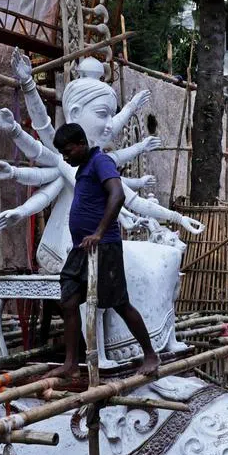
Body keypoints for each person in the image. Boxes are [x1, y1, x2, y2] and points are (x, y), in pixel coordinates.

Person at [46, 123, 160, 385]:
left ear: (81, 144)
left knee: (119, 302)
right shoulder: (82, 168)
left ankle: (151, 355)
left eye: (68, 151)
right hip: (81, 249)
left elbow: (117, 195)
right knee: (69, 301)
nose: (66, 157)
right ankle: (71, 364)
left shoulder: (101, 161)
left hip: (103, 246)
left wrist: (99, 231)